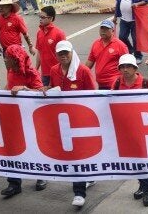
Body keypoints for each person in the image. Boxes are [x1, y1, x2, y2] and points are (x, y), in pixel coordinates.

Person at [49, 41, 97, 207]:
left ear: (72, 52)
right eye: (60, 53)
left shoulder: (82, 71)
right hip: (63, 121)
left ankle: (79, 192)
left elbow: (93, 95)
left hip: (81, 121)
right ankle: (88, 176)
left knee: (78, 155)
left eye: (66, 53)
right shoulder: (54, 70)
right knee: (73, 155)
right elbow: (52, 88)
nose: (63, 56)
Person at [1, 44, 47, 197]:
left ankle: (41, 176)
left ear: (15, 59)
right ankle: (14, 184)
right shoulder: (10, 70)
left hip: (30, 118)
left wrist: (25, 90)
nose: (5, 60)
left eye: (7, 58)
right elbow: (9, 86)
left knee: (34, 147)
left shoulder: (31, 73)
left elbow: (41, 93)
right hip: (14, 117)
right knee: (12, 150)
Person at [111, 54, 148, 206]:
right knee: (134, 160)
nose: (124, 70)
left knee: (143, 158)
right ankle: (142, 185)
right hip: (125, 128)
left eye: (127, 67)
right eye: (122, 67)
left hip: (143, 128)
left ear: (135, 68)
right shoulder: (117, 83)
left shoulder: (145, 83)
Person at [115, 0, 148, 64]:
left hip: (135, 19)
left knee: (135, 38)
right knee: (122, 37)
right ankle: (130, 50)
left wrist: (137, 4)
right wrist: (115, 17)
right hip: (124, 18)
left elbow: (147, 0)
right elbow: (118, 3)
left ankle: (138, 55)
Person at [86, 19, 129, 89]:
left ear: (113, 31)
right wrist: (80, 73)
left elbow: (128, 65)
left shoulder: (120, 45)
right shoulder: (96, 44)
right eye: (102, 28)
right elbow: (90, 62)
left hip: (115, 84)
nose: (103, 31)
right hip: (100, 84)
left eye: (106, 29)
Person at [35, 6, 66, 87]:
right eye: (40, 17)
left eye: (43, 17)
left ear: (51, 18)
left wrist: (64, 71)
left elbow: (65, 55)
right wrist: (36, 69)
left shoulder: (59, 34)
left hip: (57, 73)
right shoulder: (39, 33)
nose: (40, 19)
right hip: (44, 74)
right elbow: (39, 52)